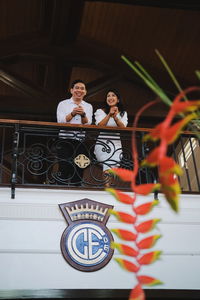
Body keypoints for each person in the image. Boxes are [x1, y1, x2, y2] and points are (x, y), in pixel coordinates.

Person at [56, 79, 93, 185]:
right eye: (77, 88)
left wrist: (83, 115)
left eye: (82, 88)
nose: (79, 90)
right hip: (64, 140)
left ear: (85, 92)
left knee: (79, 167)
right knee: (64, 166)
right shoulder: (63, 104)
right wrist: (72, 113)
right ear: (71, 90)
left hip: (80, 141)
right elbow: (61, 121)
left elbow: (87, 124)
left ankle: (76, 188)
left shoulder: (88, 106)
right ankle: (60, 189)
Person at [94, 89, 128, 186]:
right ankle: (107, 188)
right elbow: (100, 125)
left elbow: (123, 128)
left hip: (116, 143)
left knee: (113, 166)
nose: (110, 97)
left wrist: (116, 117)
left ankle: (108, 186)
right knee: (107, 165)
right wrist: (109, 114)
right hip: (102, 143)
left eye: (113, 95)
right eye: (108, 96)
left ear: (118, 100)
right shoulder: (100, 111)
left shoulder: (123, 113)